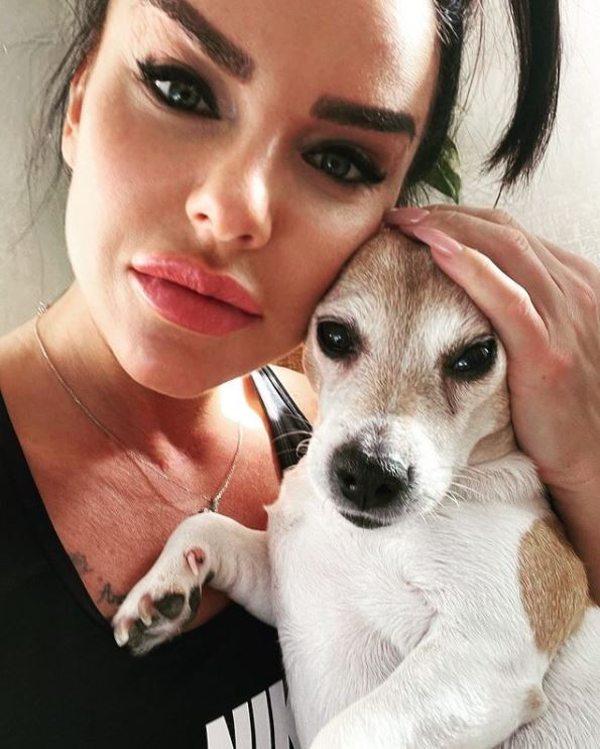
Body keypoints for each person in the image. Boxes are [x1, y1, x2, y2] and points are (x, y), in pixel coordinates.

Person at [1, 0, 599, 746]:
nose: (232, 209)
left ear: (390, 213)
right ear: (80, 99)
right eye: (180, 90)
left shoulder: (319, 432)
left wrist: (583, 472)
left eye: (340, 160)